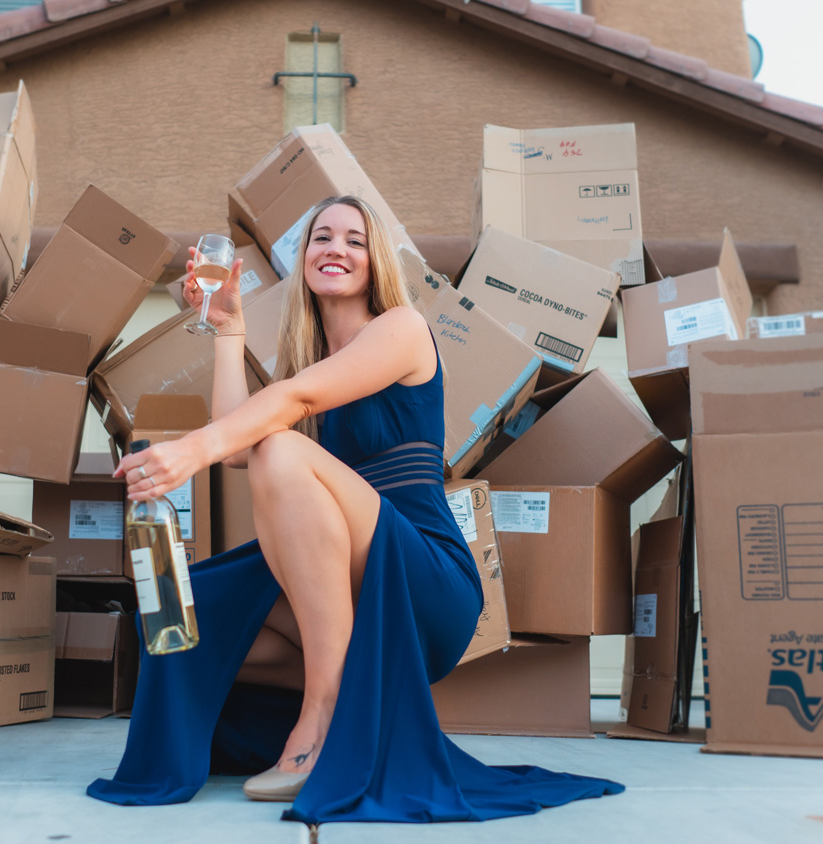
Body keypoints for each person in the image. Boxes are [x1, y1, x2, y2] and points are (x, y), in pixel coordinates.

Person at [86, 195, 623, 823]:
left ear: (376, 264)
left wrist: (191, 451)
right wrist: (228, 330)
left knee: (280, 450)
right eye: (321, 237)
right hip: (348, 576)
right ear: (304, 258)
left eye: (354, 240)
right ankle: (324, 700)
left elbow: (276, 414)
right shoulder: (310, 363)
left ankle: (324, 717)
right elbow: (242, 445)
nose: (335, 248)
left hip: (423, 579)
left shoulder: (400, 328)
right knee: (185, 622)